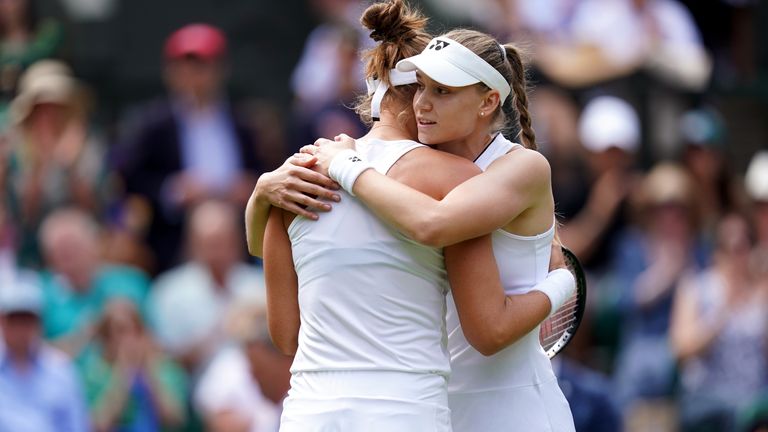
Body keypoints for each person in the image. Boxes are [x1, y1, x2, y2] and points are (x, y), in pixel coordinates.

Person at [251, 1, 575, 431]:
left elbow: (432, 224)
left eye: (443, 91)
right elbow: (272, 248)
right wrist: (261, 193)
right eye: (421, 87)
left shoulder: (519, 168)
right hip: (432, 404)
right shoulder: (443, 173)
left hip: (512, 409)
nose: (424, 104)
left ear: (487, 103)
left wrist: (564, 282)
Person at [112, 23, 262, 274]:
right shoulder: (153, 126)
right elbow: (129, 179)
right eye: (184, 67)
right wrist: (173, 190)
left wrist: (251, 187)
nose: (192, 75)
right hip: (173, 246)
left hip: (236, 238)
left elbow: (260, 169)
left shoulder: (242, 122)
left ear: (220, 69)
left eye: (201, 66)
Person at [77, 299, 188, 432]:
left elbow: (175, 420)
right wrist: (124, 375)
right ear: (106, 338)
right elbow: (98, 425)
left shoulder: (165, 368)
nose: (129, 339)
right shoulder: (93, 375)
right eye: (121, 331)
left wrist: (150, 375)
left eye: (136, 330)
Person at [0, 273, 89, 432]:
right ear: (2, 322)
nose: (20, 329)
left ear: (39, 323)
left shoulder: (62, 371)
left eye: (27, 321)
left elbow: (77, 426)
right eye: (14, 321)